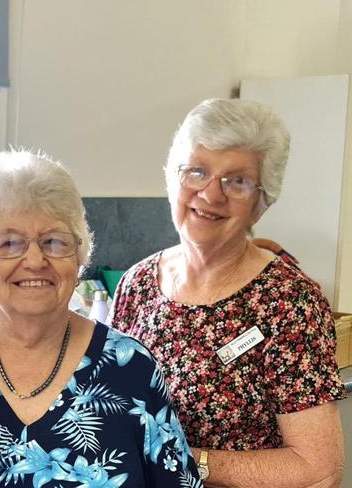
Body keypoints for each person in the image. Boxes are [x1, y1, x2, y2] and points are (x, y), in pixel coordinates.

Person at [0, 150, 203, 487]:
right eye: (9, 242)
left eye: (54, 242)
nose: (34, 259)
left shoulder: (131, 368)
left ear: (79, 259)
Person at [109, 98, 346, 488]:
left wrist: (184, 459)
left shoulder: (288, 302)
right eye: (196, 171)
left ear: (260, 203)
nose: (211, 194)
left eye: (237, 181)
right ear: (172, 179)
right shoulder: (136, 285)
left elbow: (318, 471)